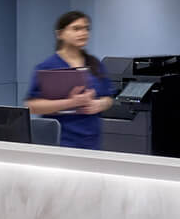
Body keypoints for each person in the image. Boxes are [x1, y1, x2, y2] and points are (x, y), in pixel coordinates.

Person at [24, 10, 114, 150]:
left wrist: (99, 104)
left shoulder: (95, 64)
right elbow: (32, 105)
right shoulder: (48, 66)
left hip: (91, 141)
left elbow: (108, 98)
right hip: (61, 141)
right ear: (60, 34)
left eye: (86, 29)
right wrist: (71, 103)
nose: (83, 33)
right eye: (76, 29)